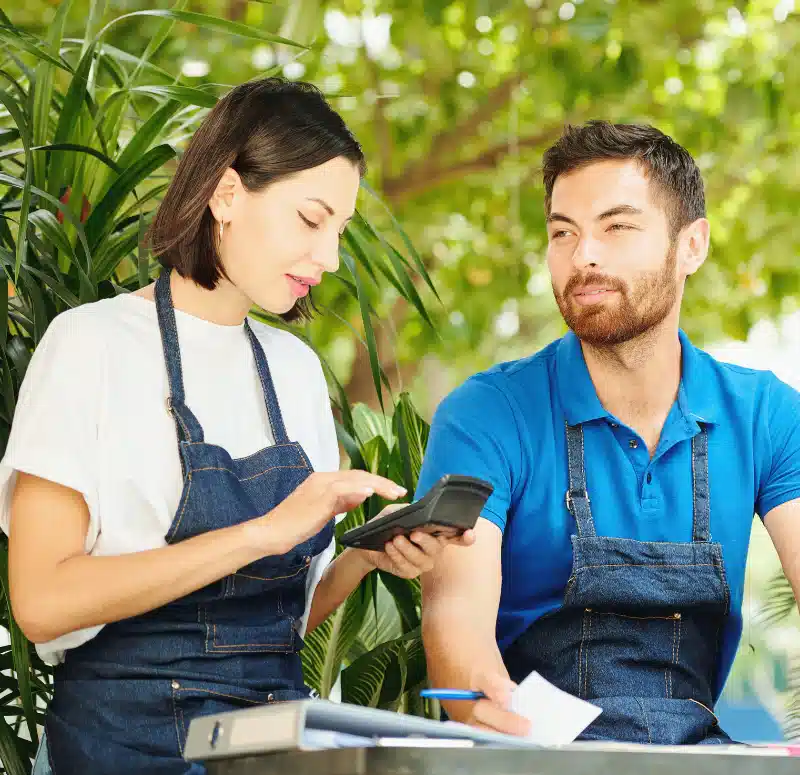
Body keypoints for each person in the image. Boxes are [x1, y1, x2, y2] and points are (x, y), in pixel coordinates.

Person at [1, 78, 473, 775]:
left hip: (272, 743)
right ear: (225, 194)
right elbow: (41, 602)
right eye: (311, 220)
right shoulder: (90, 346)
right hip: (125, 746)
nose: (331, 258)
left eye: (339, 231)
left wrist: (365, 556)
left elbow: (279, 623)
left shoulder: (295, 369)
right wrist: (261, 532)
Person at [417, 121, 800, 745]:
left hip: (698, 760)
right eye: (562, 232)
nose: (582, 255)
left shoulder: (765, 414)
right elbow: (458, 646)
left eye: (616, 227)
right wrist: (501, 716)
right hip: (530, 758)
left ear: (691, 246)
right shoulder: (488, 413)